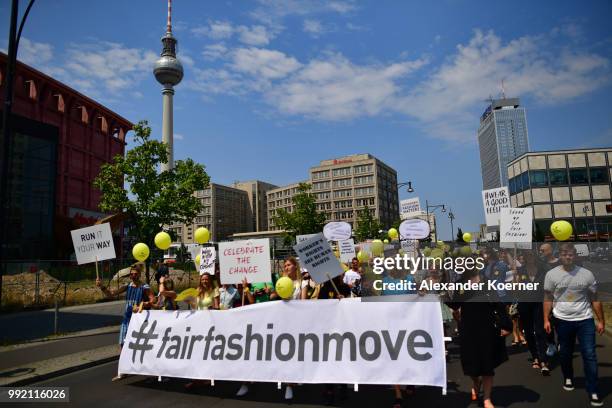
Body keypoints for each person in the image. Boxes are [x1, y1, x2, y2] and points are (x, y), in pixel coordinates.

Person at [544, 242, 605, 407]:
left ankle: (593, 389)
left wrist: (600, 320)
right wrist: (546, 319)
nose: (567, 256)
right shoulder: (551, 275)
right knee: (565, 353)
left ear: (575, 255)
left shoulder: (587, 274)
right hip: (562, 320)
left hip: (585, 319)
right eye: (564, 254)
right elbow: (548, 298)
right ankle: (568, 376)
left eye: (570, 254)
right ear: (560, 255)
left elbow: (595, 298)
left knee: (590, 354)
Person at [448, 269, 512, 408]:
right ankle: (476, 382)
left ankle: (487, 399)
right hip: (468, 331)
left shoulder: (486, 283)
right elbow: (454, 305)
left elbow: (498, 305)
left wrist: (507, 326)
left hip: (487, 329)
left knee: (487, 365)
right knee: (472, 365)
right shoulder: (460, 284)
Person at [96, 264, 154, 381]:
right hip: (127, 319)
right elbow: (111, 294)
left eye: (135, 274)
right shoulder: (127, 286)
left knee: (144, 346)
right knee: (123, 345)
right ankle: (123, 371)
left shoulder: (145, 287)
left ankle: (153, 369)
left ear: (139, 274)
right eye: (131, 274)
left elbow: (153, 299)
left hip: (140, 321)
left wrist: (143, 304)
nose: (133, 276)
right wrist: (102, 286)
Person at [515, 251, 550, 375]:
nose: (529, 257)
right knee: (529, 332)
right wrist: (516, 283)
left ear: (535, 257)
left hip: (538, 304)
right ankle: (535, 356)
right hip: (524, 304)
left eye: (531, 255)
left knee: (540, 331)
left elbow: (548, 288)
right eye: (527, 255)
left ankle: (543, 360)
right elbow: (516, 290)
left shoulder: (543, 270)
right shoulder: (520, 271)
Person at [183, 273, 220, 391]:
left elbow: (217, 307)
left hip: (209, 325)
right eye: (202, 279)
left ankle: (209, 377)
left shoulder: (215, 291)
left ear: (210, 280)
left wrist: (213, 309)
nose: (204, 281)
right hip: (198, 325)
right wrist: (189, 302)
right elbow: (196, 307)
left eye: (206, 279)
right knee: (196, 352)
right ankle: (196, 379)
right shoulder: (197, 290)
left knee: (208, 352)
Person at [540, 242, 561, 356]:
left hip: (560, 297)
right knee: (548, 320)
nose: (541, 252)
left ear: (551, 250)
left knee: (559, 321)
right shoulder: (541, 264)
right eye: (540, 250)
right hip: (546, 297)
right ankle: (551, 344)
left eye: (543, 250)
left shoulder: (560, 262)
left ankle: (561, 342)